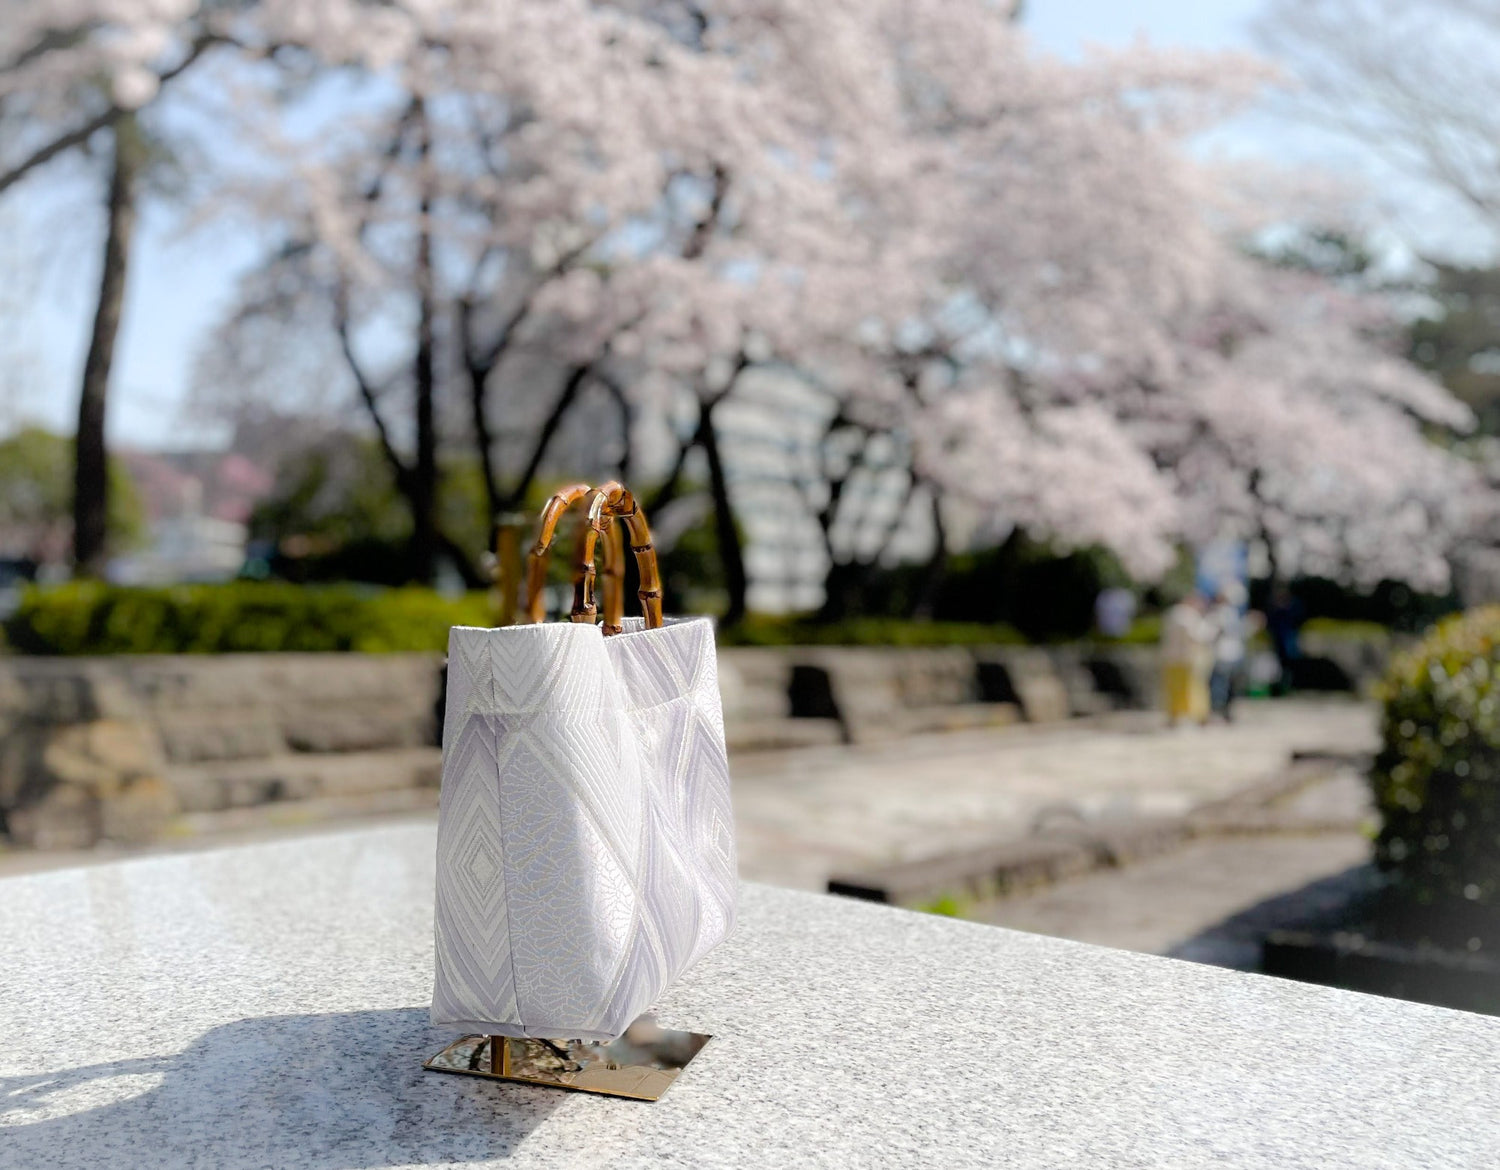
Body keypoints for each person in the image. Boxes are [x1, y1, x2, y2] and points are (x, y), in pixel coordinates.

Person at [1161, 591, 1212, 726]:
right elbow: (1198, 636)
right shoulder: (1187, 615)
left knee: (1175, 690)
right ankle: (1192, 716)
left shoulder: (1171, 613)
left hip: (1172, 658)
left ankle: (1175, 716)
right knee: (1191, 689)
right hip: (1186, 659)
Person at [1207, 583, 1255, 721]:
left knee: (1229, 687)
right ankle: (1218, 712)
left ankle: (1226, 713)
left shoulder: (1230, 612)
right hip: (1222, 654)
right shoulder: (1218, 613)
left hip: (1232, 654)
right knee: (1220, 686)